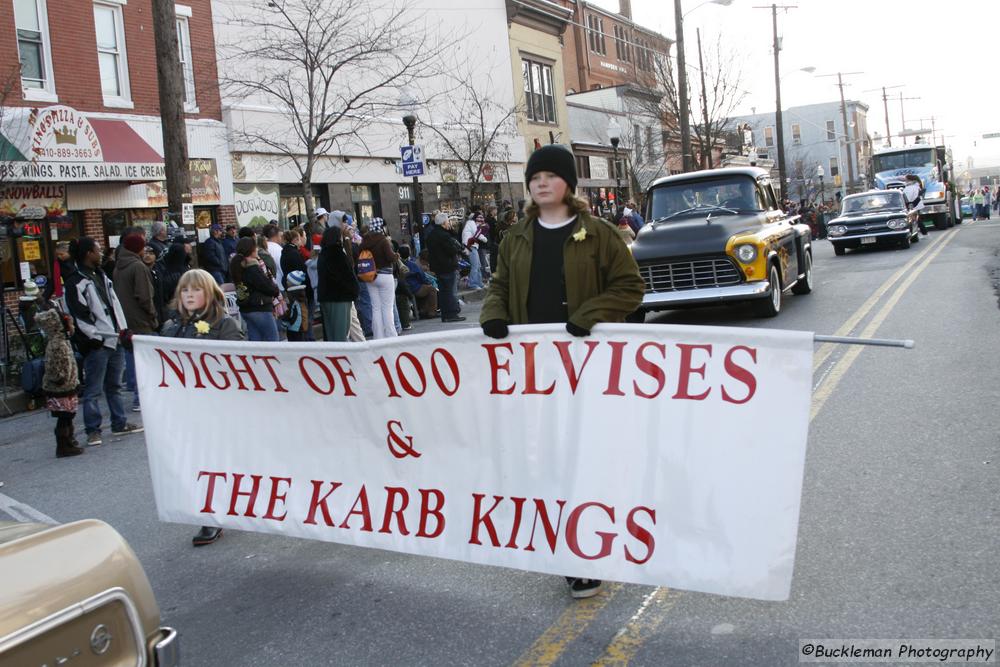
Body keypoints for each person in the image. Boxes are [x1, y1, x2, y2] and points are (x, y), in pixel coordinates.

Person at [479, 144, 644, 600]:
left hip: (588, 369)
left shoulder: (600, 233)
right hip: (535, 373)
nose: (541, 182)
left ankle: (590, 551)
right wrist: (493, 315)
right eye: (535, 177)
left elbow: (630, 287)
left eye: (550, 175)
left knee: (586, 457)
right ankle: (571, 550)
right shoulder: (516, 237)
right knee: (550, 458)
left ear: (568, 183)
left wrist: (589, 314)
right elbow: (499, 286)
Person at [161, 269, 243, 546]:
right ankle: (211, 513)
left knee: (216, 462)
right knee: (193, 463)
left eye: (196, 290)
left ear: (209, 293)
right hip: (184, 410)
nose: (189, 296)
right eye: (185, 291)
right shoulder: (172, 326)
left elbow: (238, 363)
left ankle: (214, 515)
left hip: (215, 410)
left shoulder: (224, 324)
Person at [64, 237, 144, 446]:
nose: (101, 253)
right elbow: (79, 315)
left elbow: (114, 305)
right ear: (88, 253)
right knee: (93, 389)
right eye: (97, 250)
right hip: (98, 342)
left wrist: (123, 330)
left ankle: (119, 422)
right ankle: (93, 430)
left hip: (115, 337)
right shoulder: (76, 281)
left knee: (114, 385)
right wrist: (95, 338)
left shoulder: (101, 275)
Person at [114, 233, 159, 412]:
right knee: (148, 360)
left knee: (132, 358)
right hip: (141, 320)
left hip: (125, 319)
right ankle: (143, 397)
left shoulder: (118, 267)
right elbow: (145, 296)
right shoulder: (138, 267)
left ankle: (137, 395)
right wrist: (153, 315)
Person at [36, 307, 84, 458]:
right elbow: (55, 367)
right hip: (61, 388)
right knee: (64, 416)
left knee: (68, 415)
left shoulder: (61, 341)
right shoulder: (58, 344)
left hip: (67, 385)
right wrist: (62, 379)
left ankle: (69, 440)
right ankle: (64, 445)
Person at [230, 237, 280, 341]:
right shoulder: (252, 267)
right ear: (251, 250)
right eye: (255, 247)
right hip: (259, 307)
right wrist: (275, 290)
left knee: (255, 342)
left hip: (246, 308)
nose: (257, 249)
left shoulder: (238, 266)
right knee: (273, 340)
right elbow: (266, 285)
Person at [317, 222, 359, 342]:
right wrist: (355, 291)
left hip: (326, 297)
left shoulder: (323, 253)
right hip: (340, 298)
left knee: (331, 334)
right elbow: (346, 276)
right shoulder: (337, 253)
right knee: (340, 334)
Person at [359, 217, 398, 339]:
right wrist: (396, 255)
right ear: (381, 227)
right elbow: (390, 257)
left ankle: (378, 336)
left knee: (375, 307)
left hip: (370, 276)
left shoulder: (364, 242)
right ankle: (391, 335)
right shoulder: (383, 240)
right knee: (387, 307)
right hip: (385, 275)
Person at [426, 212, 466, 322]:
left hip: (438, 267)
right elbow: (452, 249)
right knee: (450, 291)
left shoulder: (432, 235)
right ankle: (452, 313)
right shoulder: (444, 236)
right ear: (444, 223)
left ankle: (445, 314)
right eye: (448, 221)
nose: (449, 223)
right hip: (447, 266)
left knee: (443, 291)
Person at [400, 245, 438, 319]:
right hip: (413, 287)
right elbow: (422, 277)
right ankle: (432, 312)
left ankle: (423, 310)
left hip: (404, 287)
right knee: (431, 289)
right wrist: (427, 282)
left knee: (425, 288)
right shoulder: (412, 264)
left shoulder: (398, 264)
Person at [462, 213, 488, 289]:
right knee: (475, 266)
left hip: (472, 246)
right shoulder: (471, 223)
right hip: (470, 246)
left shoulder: (471, 223)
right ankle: (472, 284)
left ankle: (479, 283)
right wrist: (485, 239)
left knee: (478, 266)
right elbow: (477, 233)